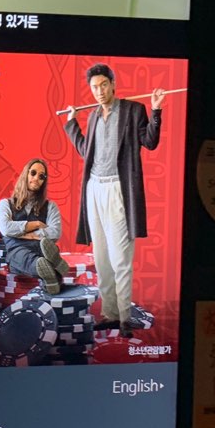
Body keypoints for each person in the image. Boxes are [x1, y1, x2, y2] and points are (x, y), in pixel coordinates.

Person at [64, 64, 165, 337]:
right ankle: (110, 314)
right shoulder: (93, 116)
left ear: (113, 84)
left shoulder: (133, 110)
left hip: (118, 188)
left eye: (103, 85)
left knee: (121, 258)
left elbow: (150, 141)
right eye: (94, 87)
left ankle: (125, 318)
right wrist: (72, 124)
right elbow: (87, 151)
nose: (99, 91)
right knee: (101, 259)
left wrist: (156, 110)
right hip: (94, 189)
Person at [0, 158, 69, 295]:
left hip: (41, 248)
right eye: (33, 173)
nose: (36, 178)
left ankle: (50, 272)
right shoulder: (5, 204)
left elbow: (55, 232)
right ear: (26, 174)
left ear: (44, 182)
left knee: (45, 251)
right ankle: (51, 269)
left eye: (42, 176)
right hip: (18, 250)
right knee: (24, 258)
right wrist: (37, 224)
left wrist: (28, 234)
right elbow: (6, 228)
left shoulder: (50, 206)